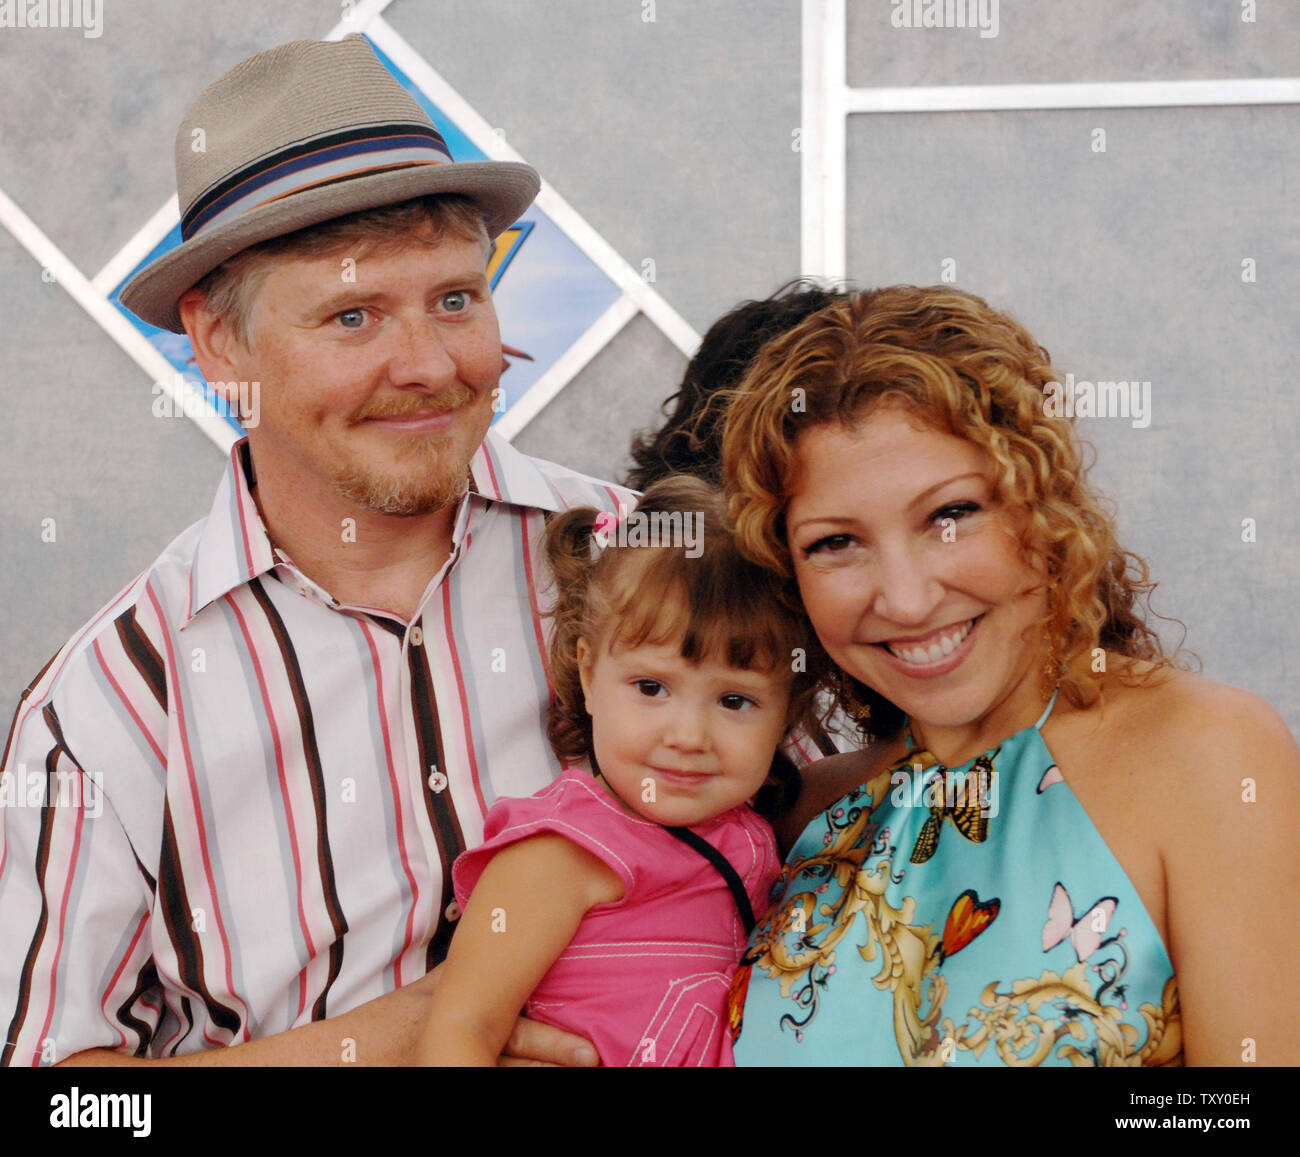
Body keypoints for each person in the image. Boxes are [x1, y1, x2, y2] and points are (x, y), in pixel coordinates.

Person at [0, 34, 630, 1067]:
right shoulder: (106, 707)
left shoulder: (642, 560)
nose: (427, 365)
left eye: (455, 299)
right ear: (219, 345)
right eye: (352, 314)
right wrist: (414, 1026)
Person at [720, 285, 1300, 1066]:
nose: (907, 595)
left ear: (1043, 504)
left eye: (950, 515)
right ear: (787, 570)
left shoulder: (1207, 754)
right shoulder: (807, 816)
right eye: (835, 543)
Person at [419, 476, 826, 1065]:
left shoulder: (760, 836)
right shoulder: (560, 852)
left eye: (734, 701)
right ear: (587, 675)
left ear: (786, 713)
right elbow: (463, 1027)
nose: (688, 737)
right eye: (651, 687)